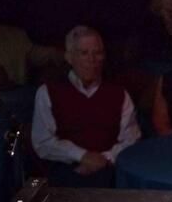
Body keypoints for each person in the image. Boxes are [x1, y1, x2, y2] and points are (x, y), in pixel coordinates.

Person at [31, 26, 140, 187]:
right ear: (69, 57)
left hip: (109, 169)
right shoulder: (48, 91)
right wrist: (82, 156)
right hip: (67, 169)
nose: (92, 59)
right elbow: (43, 142)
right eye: (84, 53)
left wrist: (105, 159)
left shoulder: (118, 93)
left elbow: (131, 138)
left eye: (97, 53)